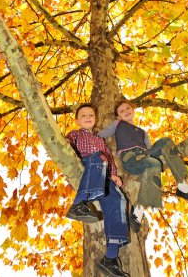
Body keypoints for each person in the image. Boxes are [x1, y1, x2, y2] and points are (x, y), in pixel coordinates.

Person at [99, 100, 188, 233]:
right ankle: (138, 211)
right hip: (131, 159)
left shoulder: (142, 132)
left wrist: (159, 155)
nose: (126, 111)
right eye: (122, 111)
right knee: (154, 163)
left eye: (128, 108)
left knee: (166, 142)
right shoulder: (118, 124)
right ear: (118, 117)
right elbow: (101, 135)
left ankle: (182, 185)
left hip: (145, 156)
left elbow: (150, 149)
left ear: (133, 111)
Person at [66, 103, 130, 277]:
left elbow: (109, 158)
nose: (88, 118)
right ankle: (79, 204)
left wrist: (114, 174)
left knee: (119, 199)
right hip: (86, 167)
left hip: (103, 172)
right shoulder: (74, 134)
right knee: (98, 158)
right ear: (77, 120)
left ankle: (110, 258)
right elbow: (66, 149)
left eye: (91, 116)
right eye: (84, 115)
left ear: (95, 120)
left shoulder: (100, 140)